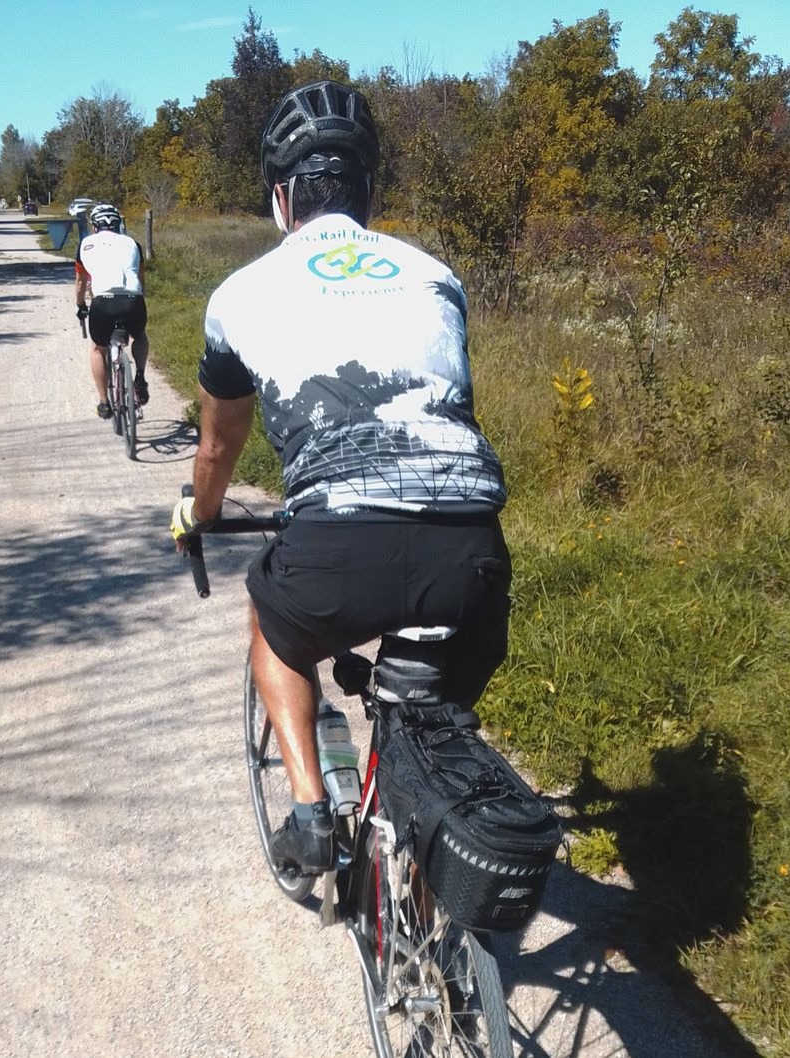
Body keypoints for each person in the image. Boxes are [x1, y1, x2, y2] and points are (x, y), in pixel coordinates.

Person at [170, 81, 512, 876]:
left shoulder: (240, 294)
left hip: (338, 547)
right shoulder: (436, 274)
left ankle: (311, 817)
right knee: (422, 715)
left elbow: (218, 449)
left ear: (283, 196)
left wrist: (200, 512)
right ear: (368, 191)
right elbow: (451, 410)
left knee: (273, 624)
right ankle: (418, 848)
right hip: (471, 551)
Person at [75, 203, 150, 418]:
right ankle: (141, 377)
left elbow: (80, 283)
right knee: (140, 335)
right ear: (118, 223)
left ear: (94, 225)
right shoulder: (132, 243)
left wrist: (81, 306)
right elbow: (141, 280)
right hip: (133, 300)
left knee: (99, 349)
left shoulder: (85, 244)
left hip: (103, 303)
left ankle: (104, 402)